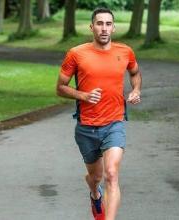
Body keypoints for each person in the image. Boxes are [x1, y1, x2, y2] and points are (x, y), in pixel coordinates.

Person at [56, 7, 142, 220]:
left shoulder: (125, 52)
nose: (104, 28)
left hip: (114, 123)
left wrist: (136, 90)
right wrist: (83, 96)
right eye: (100, 23)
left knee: (112, 174)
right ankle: (94, 192)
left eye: (108, 24)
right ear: (91, 26)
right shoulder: (76, 54)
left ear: (113, 28)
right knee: (96, 177)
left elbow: (135, 73)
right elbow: (60, 87)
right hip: (86, 127)